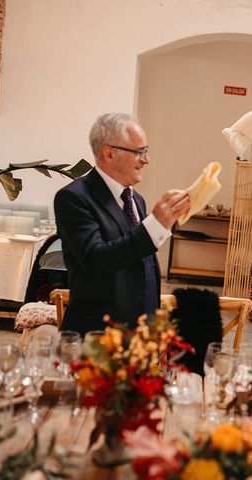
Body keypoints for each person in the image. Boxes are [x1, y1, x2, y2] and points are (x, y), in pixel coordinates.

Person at [54, 113, 189, 335]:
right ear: (109, 153)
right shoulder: (74, 198)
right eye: (139, 152)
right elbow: (96, 259)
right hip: (98, 336)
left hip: (141, 336)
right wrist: (155, 226)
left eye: (146, 151)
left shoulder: (136, 200)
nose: (147, 160)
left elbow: (137, 261)